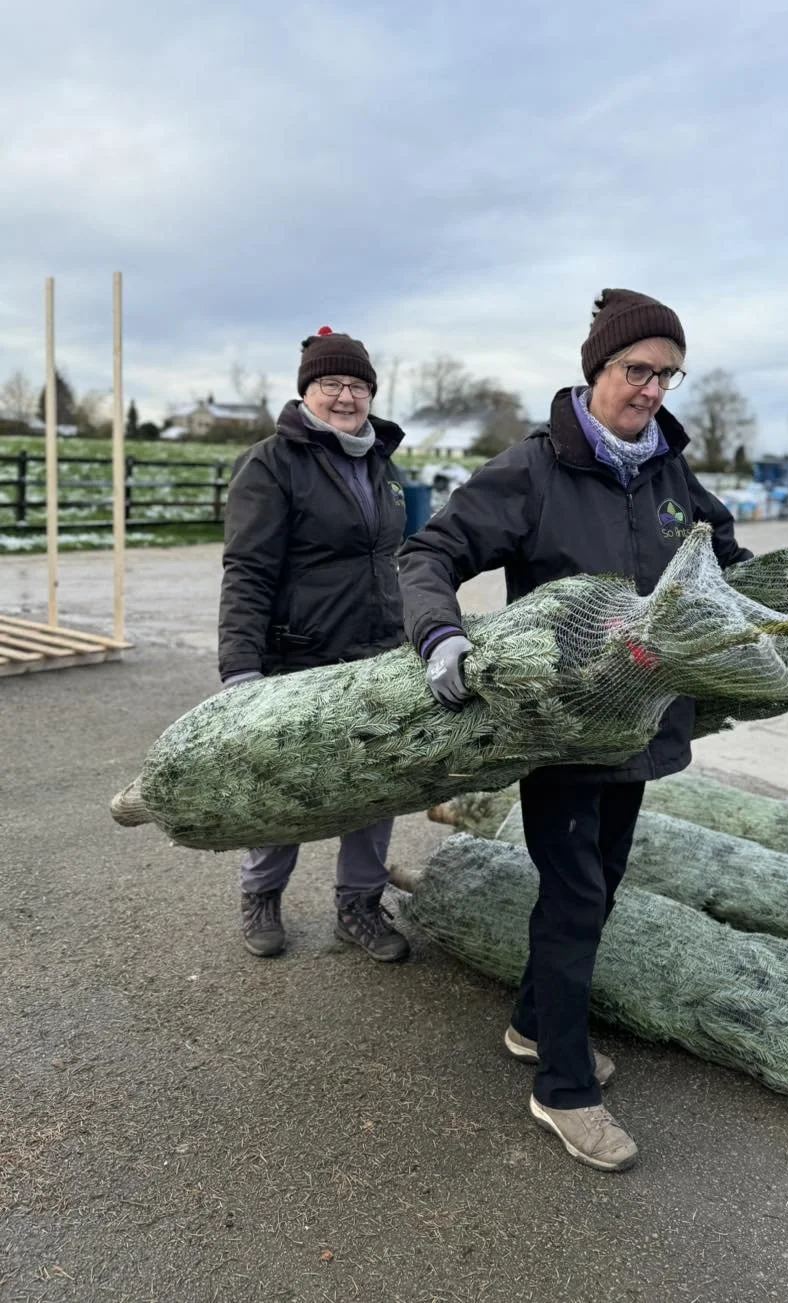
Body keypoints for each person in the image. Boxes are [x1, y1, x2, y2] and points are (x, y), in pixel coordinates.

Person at [398, 288, 753, 1170]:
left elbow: (721, 553)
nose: (652, 391)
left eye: (668, 375)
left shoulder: (669, 471)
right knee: (574, 897)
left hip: (638, 729)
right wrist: (441, 635)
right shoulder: (535, 469)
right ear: (597, 367)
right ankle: (561, 1087)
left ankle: (533, 1023)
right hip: (559, 730)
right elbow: (428, 553)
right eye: (638, 370)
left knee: (603, 883)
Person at [218, 326, 411, 963]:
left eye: (358, 385)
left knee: (375, 782)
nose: (346, 397)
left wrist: (414, 632)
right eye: (332, 383)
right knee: (285, 785)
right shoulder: (271, 463)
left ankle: (358, 904)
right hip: (297, 655)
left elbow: (393, 559)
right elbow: (247, 569)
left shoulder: (383, 464)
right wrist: (241, 668)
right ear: (307, 390)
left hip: (375, 652)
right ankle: (262, 892)